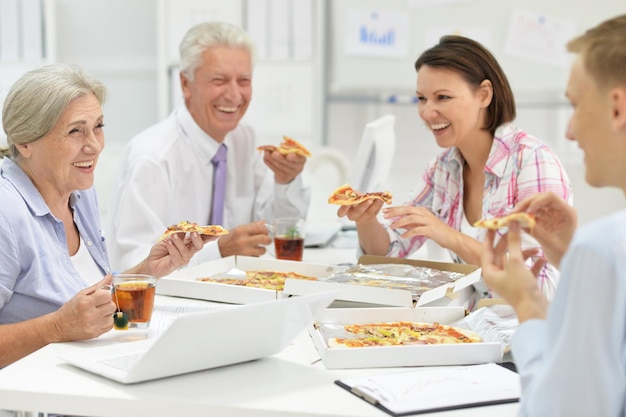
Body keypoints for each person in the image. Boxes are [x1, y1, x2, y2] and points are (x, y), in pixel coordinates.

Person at [0, 64, 216, 368]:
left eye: (98, 127)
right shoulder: (6, 213)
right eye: (76, 131)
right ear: (25, 142)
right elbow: (68, 322)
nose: (95, 145)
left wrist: (146, 271)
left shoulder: (80, 191)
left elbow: (92, 307)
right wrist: (56, 327)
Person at [337, 35, 572, 299]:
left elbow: (540, 288)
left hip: (529, 330)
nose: (427, 112)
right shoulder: (444, 167)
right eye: (422, 99)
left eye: (443, 97)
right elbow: (389, 252)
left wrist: (448, 236)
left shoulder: (532, 162)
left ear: (483, 95)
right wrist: (367, 221)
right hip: (476, 322)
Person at [481, 14, 626, 416]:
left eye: (576, 106)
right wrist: (572, 256)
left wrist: (526, 302)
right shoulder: (600, 249)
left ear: (618, 109)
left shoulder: (605, 248)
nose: (570, 131)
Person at [107, 21, 311, 271]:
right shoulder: (153, 158)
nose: (234, 95)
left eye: (244, 80)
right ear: (185, 84)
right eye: (219, 80)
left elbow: (276, 232)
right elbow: (133, 266)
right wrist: (219, 251)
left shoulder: (245, 140)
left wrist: (285, 181)